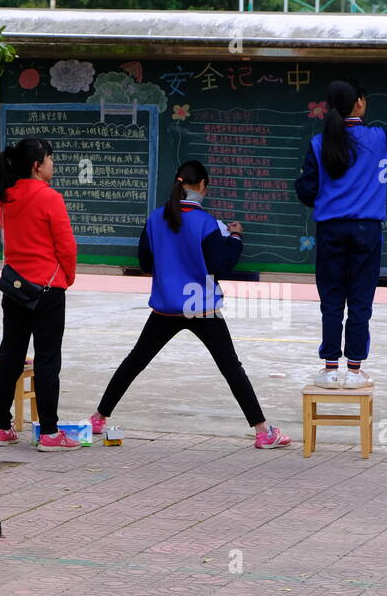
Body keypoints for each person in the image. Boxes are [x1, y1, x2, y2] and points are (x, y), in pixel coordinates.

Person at [90, 159, 290, 448]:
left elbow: (146, 263)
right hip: (202, 307)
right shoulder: (207, 224)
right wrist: (235, 238)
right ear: (203, 186)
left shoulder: (155, 219)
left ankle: (98, 417)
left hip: (165, 306)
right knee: (231, 368)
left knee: (135, 361)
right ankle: (262, 432)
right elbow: (219, 266)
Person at [295, 80, 387, 388]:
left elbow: (306, 190)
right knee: (361, 298)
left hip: (330, 229)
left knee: (332, 299)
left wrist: (330, 198)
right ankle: (354, 371)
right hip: (367, 230)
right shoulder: (378, 138)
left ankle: (328, 369)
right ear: (361, 103)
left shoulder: (319, 143)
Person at [0, 136, 79, 451]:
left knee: (10, 356)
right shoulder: (50, 197)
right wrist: (67, 276)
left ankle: (1, 427)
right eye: (50, 159)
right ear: (37, 165)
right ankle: (49, 433)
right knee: (47, 359)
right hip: (47, 288)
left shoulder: (4, 197)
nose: (53, 164)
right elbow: (65, 244)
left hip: (14, 286)